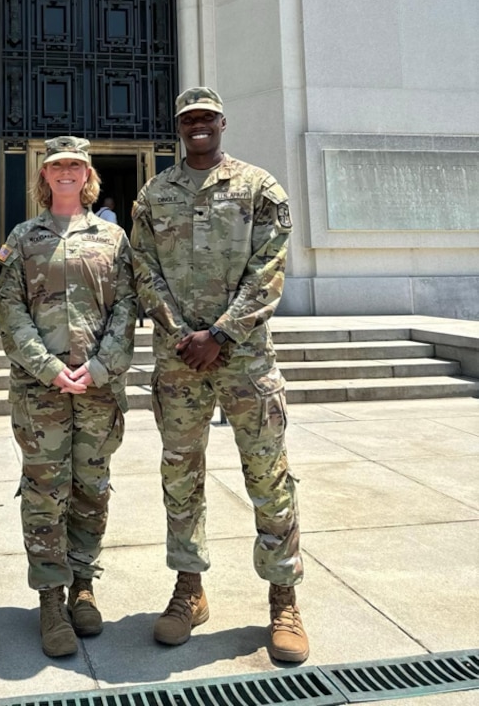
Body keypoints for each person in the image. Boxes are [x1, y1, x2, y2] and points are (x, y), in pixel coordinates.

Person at [130, 87, 308, 663]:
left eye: (207, 117)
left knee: (269, 475)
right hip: (179, 361)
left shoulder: (259, 188)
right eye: (189, 119)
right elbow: (142, 269)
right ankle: (189, 589)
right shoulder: (155, 193)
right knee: (181, 478)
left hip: (247, 362)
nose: (198, 125)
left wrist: (222, 334)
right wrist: (182, 332)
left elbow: (270, 268)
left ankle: (283, 596)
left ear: (223, 123)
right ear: (179, 128)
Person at [0, 136, 136, 658]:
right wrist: (50, 368)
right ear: (44, 175)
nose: (67, 173)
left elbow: (127, 307)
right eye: (57, 166)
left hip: (99, 391)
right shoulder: (23, 237)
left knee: (92, 489)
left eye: (75, 165)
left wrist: (100, 367)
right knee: (44, 493)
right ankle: (50, 599)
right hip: (41, 392)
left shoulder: (113, 238)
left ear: (88, 173)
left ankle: (83, 584)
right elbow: (9, 309)